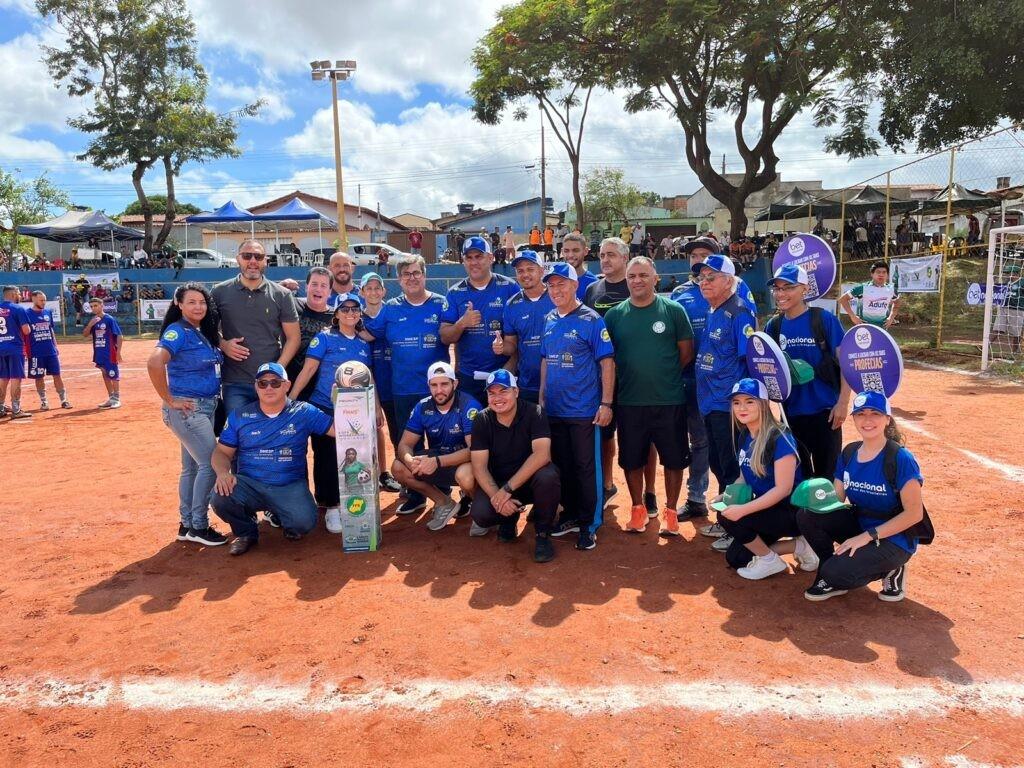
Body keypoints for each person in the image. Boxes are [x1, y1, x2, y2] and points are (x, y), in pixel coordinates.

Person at [798, 391, 930, 602]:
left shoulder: (900, 458)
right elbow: (836, 499)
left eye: (875, 413)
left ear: (887, 419)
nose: (867, 420)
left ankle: (892, 568)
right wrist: (814, 495)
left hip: (894, 538)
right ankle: (828, 566)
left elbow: (914, 514)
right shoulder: (849, 452)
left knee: (836, 573)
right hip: (860, 526)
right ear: (854, 419)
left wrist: (866, 536)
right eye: (861, 414)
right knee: (806, 515)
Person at [604, 257, 694, 537]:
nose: (637, 280)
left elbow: (686, 352)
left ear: (656, 278)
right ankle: (637, 508)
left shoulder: (674, 310)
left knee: (674, 460)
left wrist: (663, 374)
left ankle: (669, 511)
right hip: (630, 401)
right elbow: (608, 357)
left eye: (643, 275)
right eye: (632, 276)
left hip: (669, 400)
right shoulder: (614, 315)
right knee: (631, 460)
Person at [211, 363, 335, 556]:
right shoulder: (240, 416)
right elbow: (221, 453)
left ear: (287, 385)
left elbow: (340, 430)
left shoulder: (304, 412)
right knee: (221, 495)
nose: (268, 388)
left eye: (275, 383)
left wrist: (352, 403)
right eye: (263, 383)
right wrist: (222, 473)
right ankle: (246, 533)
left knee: (304, 522)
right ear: (256, 387)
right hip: (250, 484)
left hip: (288, 485)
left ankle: (286, 519)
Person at [361, 255, 450, 515]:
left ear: (424, 275)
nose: (412, 277)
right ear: (399, 280)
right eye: (406, 274)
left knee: (439, 443)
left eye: (416, 273)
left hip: (436, 391)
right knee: (407, 444)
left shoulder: (440, 304)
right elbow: (368, 332)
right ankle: (415, 493)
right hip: (402, 389)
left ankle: (442, 489)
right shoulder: (390, 308)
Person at [540, 262, 615, 551]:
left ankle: (589, 523)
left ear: (575, 286)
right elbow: (546, 359)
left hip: (584, 410)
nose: (556, 290)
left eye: (561, 284)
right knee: (563, 467)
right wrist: (544, 394)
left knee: (586, 469)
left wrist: (606, 403)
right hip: (555, 410)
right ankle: (570, 514)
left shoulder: (591, 319)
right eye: (551, 285)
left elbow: (607, 362)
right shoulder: (549, 319)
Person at [147, 283, 227, 547]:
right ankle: (199, 526)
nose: (198, 307)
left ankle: (188, 524)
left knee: (192, 467)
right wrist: (169, 399)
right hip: (189, 409)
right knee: (212, 464)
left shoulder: (199, 331)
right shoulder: (177, 331)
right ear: (179, 304)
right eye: (191, 302)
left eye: (202, 302)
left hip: (202, 408)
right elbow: (154, 361)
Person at [714, 378, 816, 580]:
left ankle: (770, 561)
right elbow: (744, 474)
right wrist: (726, 496)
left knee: (728, 517)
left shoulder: (780, 438)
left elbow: (783, 489)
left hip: (791, 512)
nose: (742, 407)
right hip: (768, 509)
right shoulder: (745, 434)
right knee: (737, 558)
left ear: (763, 403)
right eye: (736, 402)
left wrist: (742, 509)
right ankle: (800, 546)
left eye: (749, 401)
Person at [290, 293, 374, 534]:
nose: (350, 313)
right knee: (326, 458)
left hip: (354, 412)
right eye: (344, 309)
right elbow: (308, 370)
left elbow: (369, 379)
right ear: (336, 314)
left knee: (353, 459)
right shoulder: (324, 338)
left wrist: (375, 407)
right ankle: (330, 506)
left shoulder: (362, 344)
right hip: (324, 407)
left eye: (354, 309)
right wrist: (291, 400)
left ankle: (352, 503)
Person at [585, 237, 655, 510]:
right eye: (602, 255)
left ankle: (650, 492)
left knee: (644, 438)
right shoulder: (592, 289)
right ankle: (607, 485)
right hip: (602, 377)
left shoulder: (636, 287)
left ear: (625, 259)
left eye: (612, 255)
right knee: (605, 434)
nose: (605, 260)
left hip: (635, 379)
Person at [693, 254, 756, 545]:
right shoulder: (713, 309)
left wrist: (741, 406)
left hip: (728, 405)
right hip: (709, 402)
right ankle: (727, 520)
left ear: (728, 281)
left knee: (732, 467)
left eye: (711, 277)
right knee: (719, 463)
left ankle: (739, 528)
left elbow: (748, 361)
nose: (704, 282)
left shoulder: (739, 311)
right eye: (701, 277)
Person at [765, 264, 849, 479]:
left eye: (788, 287)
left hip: (825, 413)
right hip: (790, 415)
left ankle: (826, 514)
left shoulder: (823, 320)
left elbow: (846, 362)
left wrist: (842, 403)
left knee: (827, 477)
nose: (781, 294)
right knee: (797, 478)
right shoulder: (773, 327)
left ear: (804, 289)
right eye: (777, 288)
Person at [469, 370, 561, 562]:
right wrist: (498, 496)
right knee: (480, 513)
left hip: (529, 483)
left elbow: (542, 455)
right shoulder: (481, 420)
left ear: (516, 392)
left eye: (503, 391)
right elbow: (479, 467)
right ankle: (508, 518)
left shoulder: (535, 413)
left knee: (548, 476)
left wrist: (508, 489)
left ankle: (542, 535)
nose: (497, 398)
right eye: (491, 393)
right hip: (500, 483)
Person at [211, 240, 300, 415]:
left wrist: (276, 371)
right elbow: (207, 329)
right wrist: (223, 345)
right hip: (235, 383)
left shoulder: (282, 295)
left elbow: (293, 338)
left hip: (271, 384)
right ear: (238, 259)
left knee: (270, 436)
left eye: (258, 257)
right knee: (239, 435)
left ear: (265, 261)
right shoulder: (219, 292)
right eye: (247, 256)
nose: (253, 261)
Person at [391, 362, 480, 532]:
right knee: (398, 467)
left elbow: (474, 450)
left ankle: (480, 508)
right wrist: (411, 462)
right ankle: (443, 503)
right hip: (438, 461)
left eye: (444, 384)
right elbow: (404, 444)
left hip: (464, 462)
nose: (439, 390)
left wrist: (437, 462)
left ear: (455, 384)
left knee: (466, 477)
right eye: (434, 385)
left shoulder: (469, 406)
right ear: (429, 386)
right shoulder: (422, 407)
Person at [439, 236, 519, 404]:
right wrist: (462, 323)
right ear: (463, 262)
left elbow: (521, 335)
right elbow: (445, 337)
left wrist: (511, 365)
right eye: (469, 258)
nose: (474, 262)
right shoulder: (455, 293)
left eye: (479, 256)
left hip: (503, 375)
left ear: (490, 258)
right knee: (472, 428)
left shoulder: (509, 287)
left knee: (503, 427)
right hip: (469, 378)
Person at [360, 272, 403, 493]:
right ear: (362, 292)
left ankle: (401, 476)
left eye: (378, 288)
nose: (374, 292)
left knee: (399, 433)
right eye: (369, 288)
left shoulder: (393, 311)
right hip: (368, 385)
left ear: (384, 291)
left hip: (396, 383)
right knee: (369, 431)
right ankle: (372, 475)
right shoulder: (355, 316)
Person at [495, 250, 553, 404]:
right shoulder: (512, 305)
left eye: (530, 269)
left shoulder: (556, 296)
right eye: (520, 271)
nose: (525, 274)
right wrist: (502, 347)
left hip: (558, 384)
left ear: (541, 271)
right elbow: (511, 345)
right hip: (527, 385)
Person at [287, 267, 335, 401]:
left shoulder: (337, 317)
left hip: (320, 388)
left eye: (323, 285)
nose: (318, 289)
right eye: (314, 284)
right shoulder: (291, 305)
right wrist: (281, 286)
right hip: (288, 380)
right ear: (306, 286)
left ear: (330, 292)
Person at [25, 291, 71, 411]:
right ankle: (44, 401)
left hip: (50, 351)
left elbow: (51, 331)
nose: (44, 302)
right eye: (41, 300)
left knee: (57, 375)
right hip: (35, 352)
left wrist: (55, 346)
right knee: (39, 377)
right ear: (33, 299)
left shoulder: (48, 312)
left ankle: (64, 400)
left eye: (45, 300)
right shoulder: (26, 314)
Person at [82, 296, 123, 409]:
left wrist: (118, 352)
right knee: (105, 374)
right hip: (99, 351)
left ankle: (117, 399)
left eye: (96, 305)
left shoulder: (109, 319)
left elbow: (119, 336)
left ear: (102, 306)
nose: (93, 308)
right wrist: (90, 324)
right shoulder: (94, 321)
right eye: (91, 306)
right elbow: (85, 334)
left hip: (109, 352)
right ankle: (111, 398)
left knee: (113, 374)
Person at [0, 285, 32, 419]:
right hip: (15, 348)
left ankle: (0, 407)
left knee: (2, 378)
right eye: (18, 293)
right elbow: (26, 331)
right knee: (15, 378)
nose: (20, 295)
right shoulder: (18, 309)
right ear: (13, 294)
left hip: (0, 347)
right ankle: (16, 409)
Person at [839, 261, 900, 328]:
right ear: (872, 274)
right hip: (863, 328)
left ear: (887, 275)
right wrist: (853, 316)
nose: (881, 275)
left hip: (882, 328)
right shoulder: (863, 288)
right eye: (878, 272)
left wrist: (891, 318)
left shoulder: (891, 289)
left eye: (884, 272)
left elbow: (897, 304)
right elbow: (843, 299)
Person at [561, 233, 598, 301]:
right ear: (562, 252)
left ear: (585, 251)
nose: (570, 255)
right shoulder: (554, 281)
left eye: (575, 250)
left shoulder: (594, 284)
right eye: (566, 251)